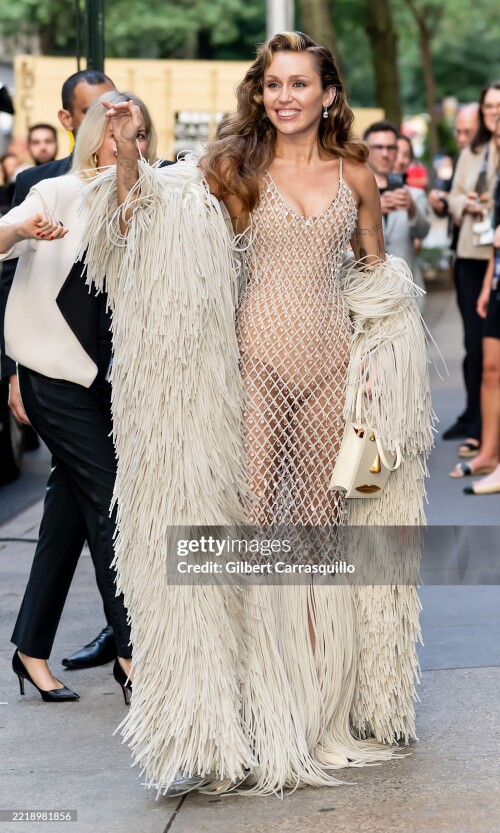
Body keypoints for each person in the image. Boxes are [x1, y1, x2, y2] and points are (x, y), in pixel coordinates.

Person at [83, 32, 432, 795]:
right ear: (260, 92)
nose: (284, 97)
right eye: (273, 84)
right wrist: (129, 157)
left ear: (328, 94)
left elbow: (378, 281)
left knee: (316, 533)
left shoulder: (356, 173)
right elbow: (155, 218)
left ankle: (310, 708)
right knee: (246, 528)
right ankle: (243, 708)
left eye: (299, 84)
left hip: (330, 370)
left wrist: (384, 373)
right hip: (254, 368)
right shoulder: (233, 164)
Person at [0, 90, 156, 702]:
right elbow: (4, 237)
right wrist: (20, 227)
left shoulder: (145, 203)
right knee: (111, 502)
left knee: (65, 519)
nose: (126, 145)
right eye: (116, 134)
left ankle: (29, 648)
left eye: (137, 135)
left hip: (105, 383)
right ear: (93, 136)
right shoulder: (57, 191)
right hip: (51, 376)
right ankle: (131, 653)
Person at [446, 82, 500, 458]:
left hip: (497, 257)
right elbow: (451, 197)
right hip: (472, 256)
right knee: (476, 346)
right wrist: (465, 202)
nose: (494, 112)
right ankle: (479, 428)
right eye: (489, 107)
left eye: (499, 106)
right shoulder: (472, 152)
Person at [364, 120, 430, 307]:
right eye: (378, 147)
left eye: (391, 147)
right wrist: (373, 211)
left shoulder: (413, 194)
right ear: (366, 149)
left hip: (407, 294)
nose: (385, 154)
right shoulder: (351, 193)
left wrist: (412, 209)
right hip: (366, 295)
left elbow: (423, 232)